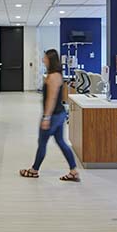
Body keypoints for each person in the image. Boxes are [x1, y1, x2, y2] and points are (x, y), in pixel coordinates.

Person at [20, 49, 80, 182]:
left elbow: (51, 99)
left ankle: (34, 170)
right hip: (59, 114)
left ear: (50, 60)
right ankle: (74, 171)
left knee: (42, 143)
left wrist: (46, 117)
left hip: (53, 116)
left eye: (45, 58)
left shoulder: (53, 77)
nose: (43, 60)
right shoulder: (56, 75)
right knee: (61, 142)